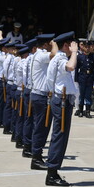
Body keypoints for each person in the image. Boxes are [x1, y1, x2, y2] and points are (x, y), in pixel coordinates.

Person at [44, 32, 78, 186]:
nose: (73, 48)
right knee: (59, 136)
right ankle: (52, 173)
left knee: (60, 136)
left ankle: (53, 170)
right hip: (62, 102)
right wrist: (75, 53)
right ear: (66, 45)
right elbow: (71, 67)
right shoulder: (61, 58)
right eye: (72, 45)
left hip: (63, 100)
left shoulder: (59, 58)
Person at [29, 33, 56, 170]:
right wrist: (55, 44)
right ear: (45, 45)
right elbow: (54, 54)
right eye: (49, 43)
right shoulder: (41, 55)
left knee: (41, 127)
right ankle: (36, 158)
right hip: (41, 96)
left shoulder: (38, 55)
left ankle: (37, 156)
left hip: (40, 95)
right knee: (41, 128)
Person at [75, 39, 94, 118]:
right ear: (83, 47)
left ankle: (87, 111)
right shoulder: (80, 57)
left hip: (90, 78)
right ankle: (81, 111)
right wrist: (76, 79)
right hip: (82, 77)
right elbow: (76, 68)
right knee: (81, 95)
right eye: (86, 46)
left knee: (88, 95)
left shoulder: (93, 56)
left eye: (89, 47)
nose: (87, 48)